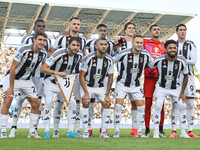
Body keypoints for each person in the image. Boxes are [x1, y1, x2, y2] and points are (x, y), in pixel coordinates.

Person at [9, 19, 52, 138]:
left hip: (40, 76)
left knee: (36, 101)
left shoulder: (46, 41)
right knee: (20, 99)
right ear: (34, 27)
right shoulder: (27, 39)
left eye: (43, 26)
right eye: (39, 26)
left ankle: (33, 129)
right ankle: (13, 127)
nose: (41, 28)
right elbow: (21, 55)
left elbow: (49, 55)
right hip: (27, 75)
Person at [0, 31, 47, 138]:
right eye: (40, 39)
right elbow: (12, 68)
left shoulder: (43, 53)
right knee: (7, 101)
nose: (42, 42)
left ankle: (32, 132)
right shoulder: (23, 49)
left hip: (27, 80)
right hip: (13, 78)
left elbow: (44, 67)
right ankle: (3, 131)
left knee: (36, 103)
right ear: (34, 40)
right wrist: (11, 87)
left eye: (44, 40)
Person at [48, 17, 86, 137]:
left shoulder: (83, 40)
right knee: (59, 101)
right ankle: (56, 129)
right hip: (61, 75)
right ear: (69, 25)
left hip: (74, 75)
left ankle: (76, 129)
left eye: (78, 24)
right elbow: (51, 53)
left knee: (76, 102)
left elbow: (83, 56)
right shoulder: (61, 38)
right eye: (74, 24)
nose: (76, 26)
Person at [40, 37, 83, 138]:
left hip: (64, 83)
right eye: (73, 45)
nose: (75, 47)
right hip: (51, 81)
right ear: (68, 45)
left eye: (77, 45)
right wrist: (56, 73)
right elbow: (43, 68)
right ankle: (47, 131)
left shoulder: (79, 55)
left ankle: (70, 131)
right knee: (49, 101)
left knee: (72, 103)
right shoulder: (59, 53)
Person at [148, 39, 189, 138]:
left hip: (175, 87)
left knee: (182, 106)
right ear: (165, 49)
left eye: (174, 48)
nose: (173, 50)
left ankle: (183, 132)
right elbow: (149, 65)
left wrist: (182, 92)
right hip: (161, 86)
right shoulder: (159, 60)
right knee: (158, 105)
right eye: (170, 48)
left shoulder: (181, 62)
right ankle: (156, 132)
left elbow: (186, 75)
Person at [113, 35, 152, 138]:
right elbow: (112, 60)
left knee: (141, 107)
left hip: (136, 84)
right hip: (122, 83)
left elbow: (152, 64)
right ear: (133, 43)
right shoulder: (124, 53)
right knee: (118, 106)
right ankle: (116, 131)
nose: (139, 45)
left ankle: (139, 131)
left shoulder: (146, 55)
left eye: (141, 43)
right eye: (137, 42)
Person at [79, 36, 114, 138]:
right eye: (101, 44)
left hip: (100, 86)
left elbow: (111, 78)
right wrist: (86, 92)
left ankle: (103, 132)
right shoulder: (88, 58)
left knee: (107, 103)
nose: (103, 46)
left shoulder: (109, 60)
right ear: (96, 46)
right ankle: (86, 131)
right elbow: (81, 75)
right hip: (87, 85)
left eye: (105, 44)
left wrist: (107, 94)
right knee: (85, 102)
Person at [169, 24, 199, 138]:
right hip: (176, 76)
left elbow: (194, 61)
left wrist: (184, 60)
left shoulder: (191, 45)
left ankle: (190, 130)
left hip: (189, 76)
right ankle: (174, 131)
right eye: (180, 30)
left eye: (184, 30)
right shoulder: (172, 45)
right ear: (176, 32)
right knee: (175, 104)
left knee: (190, 104)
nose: (182, 32)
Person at [114, 22, 138, 137]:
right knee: (118, 104)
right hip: (121, 78)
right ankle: (117, 129)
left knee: (135, 104)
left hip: (134, 79)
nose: (131, 30)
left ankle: (134, 128)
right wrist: (115, 43)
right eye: (129, 28)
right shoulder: (120, 42)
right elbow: (113, 54)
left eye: (133, 28)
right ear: (125, 30)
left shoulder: (137, 43)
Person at [143, 24, 166, 137]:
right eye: (154, 30)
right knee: (147, 103)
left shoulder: (164, 45)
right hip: (148, 77)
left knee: (161, 104)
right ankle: (147, 130)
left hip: (161, 78)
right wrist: (120, 38)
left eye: (158, 29)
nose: (157, 31)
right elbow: (132, 40)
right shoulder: (145, 43)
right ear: (150, 33)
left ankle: (160, 130)